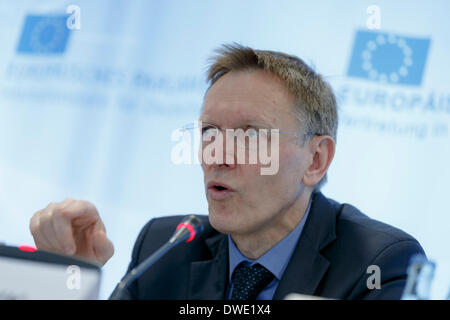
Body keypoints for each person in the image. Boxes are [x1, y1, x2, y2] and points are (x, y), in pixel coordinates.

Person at [29, 43, 425, 300]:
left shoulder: (380, 263)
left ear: (315, 160)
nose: (217, 155)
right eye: (209, 132)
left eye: (251, 135)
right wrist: (71, 283)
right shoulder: (165, 247)